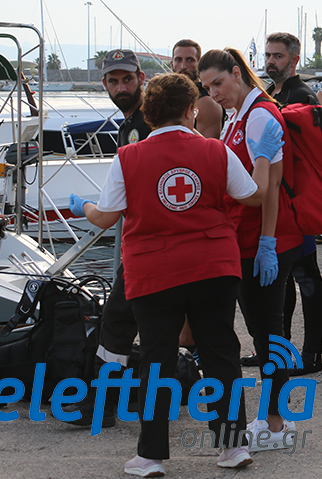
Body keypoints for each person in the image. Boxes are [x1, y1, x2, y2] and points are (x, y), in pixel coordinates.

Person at [71, 73, 283, 474]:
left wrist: (83, 207)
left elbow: (105, 217)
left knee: (157, 359)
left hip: (153, 273)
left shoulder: (128, 158)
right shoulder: (216, 151)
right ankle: (232, 446)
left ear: (149, 114)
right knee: (221, 353)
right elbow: (254, 196)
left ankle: (150, 456)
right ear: (190, 111)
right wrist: (262, 157)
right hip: (213, 268)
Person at [198, 48, 302, 448]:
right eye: (208, 88)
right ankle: (273, 418)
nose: (214, 94)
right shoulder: (238, 115)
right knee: (264, 331)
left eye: (218, 83)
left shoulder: (259, 116)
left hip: (261, 239)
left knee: (268, 333)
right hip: (244, 237)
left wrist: (267, 242)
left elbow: (270, 186)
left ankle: (276, 422)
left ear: (237, 74)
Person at [63, 50, 149, 429]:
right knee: (132, 324)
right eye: (113, 81)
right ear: (104, 84)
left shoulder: (140, 125)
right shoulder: (129, 124)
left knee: (117, 323)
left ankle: (101, 405)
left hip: (145, 245)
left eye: (127, 79)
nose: (121, 87)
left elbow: (115, 208)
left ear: (141, 78)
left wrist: (86, 208)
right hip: (150, 243)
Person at [235, 32, 322, 377]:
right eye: (269, 55)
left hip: (294, 205)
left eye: (278, 56)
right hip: (280, 205)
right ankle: (274, 349)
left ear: (294, 59)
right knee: (281, 287)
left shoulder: (302, 95)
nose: (271, 61)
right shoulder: (272, 94)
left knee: (306, 276)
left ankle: (312, 353)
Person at [172, 39, 225, 138]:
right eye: (178, 60)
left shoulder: (206, 103)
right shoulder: (169, 97)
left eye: (190, 60)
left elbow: (206, 146)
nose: (183, 66)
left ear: (199, 64)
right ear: (172, 64)